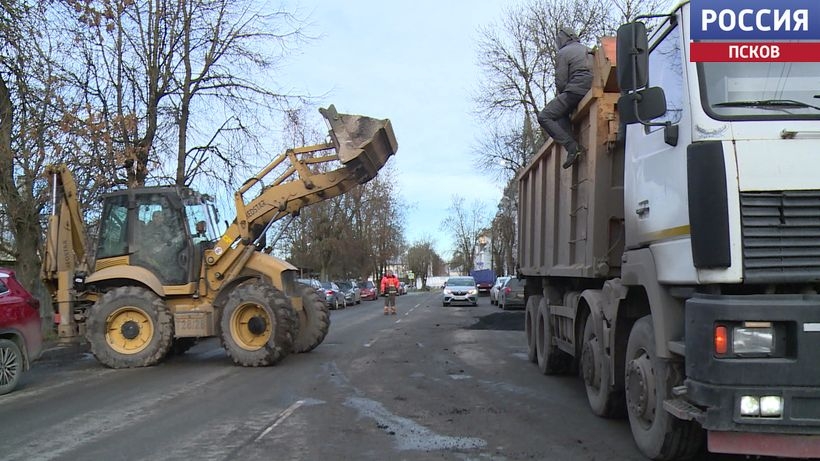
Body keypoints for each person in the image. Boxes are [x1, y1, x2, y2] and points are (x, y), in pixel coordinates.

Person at [537, 27, 593, 169]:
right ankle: (572, 147)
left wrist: (563, 93)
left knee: (545, 116)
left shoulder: (563, 52)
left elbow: (561, 82)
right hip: (590, 89)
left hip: (576, 90)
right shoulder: (588, 49)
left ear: (562, 39)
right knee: (561, 112)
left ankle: (572, 147)